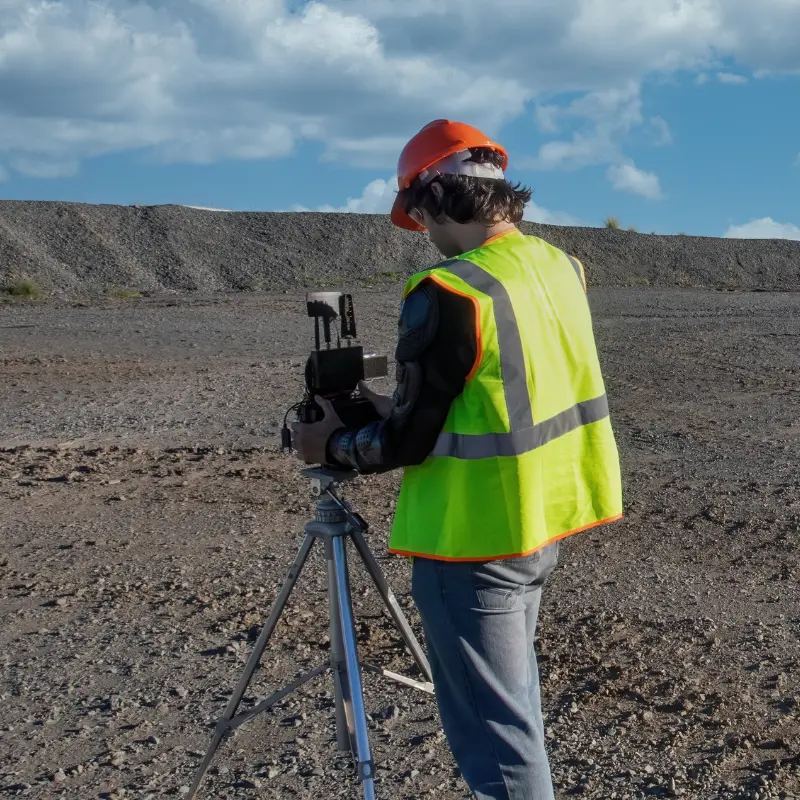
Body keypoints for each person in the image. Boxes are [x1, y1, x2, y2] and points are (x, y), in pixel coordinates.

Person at [291, 119, 623, 800]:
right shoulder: (562, 268)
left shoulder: (450, 291)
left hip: (469, 542)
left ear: (438, 194)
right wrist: (399, 404)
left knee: (500, 748)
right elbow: (500, 391)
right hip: (538, 523)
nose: (424, 236)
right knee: (511, 710)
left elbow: (406, 445)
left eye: (418, 217)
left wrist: (335, 444)